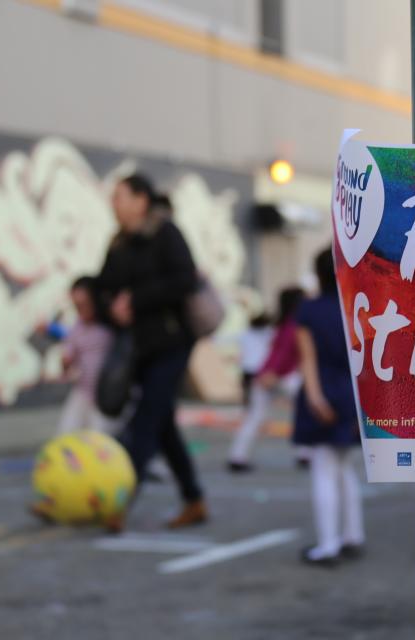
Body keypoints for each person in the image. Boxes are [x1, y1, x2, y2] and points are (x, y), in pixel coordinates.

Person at [95, 174, 206, 530]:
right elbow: (102, 287)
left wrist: (137, 300)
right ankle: (194, 498)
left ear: (141, 199)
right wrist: (111, 306)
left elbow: (184, 279)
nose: (114, 203)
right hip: (137, 347)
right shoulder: (118, 243)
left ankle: (120, 501)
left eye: (120, 196)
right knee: (162, 423)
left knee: (145, 420)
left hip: (171, 343)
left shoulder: (164, 232)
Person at [294, 248, 364, 566]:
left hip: (324, 389)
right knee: (344, 466)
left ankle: (328, 545)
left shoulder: (308, 310)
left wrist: (315, 397)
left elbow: (307, 360)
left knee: (323, 469)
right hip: (352, 392)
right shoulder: (356, 307)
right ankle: (352, 535)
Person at [227, 287, 304, 472]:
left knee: (255, 416)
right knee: (303, 410)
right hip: (279, 375)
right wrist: (273, 372)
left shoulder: (283, 325)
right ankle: (305, 453)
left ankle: (237, 456)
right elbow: (283, 354)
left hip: (270, 373)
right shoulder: (293, 325)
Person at [57, 276, 114, 434]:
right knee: (66, 432)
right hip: (83, 392)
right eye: (77, 306)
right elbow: (68, 356)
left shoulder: (110, 326)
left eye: (84, 305)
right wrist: (66, 362)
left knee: (99, 437)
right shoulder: (78, 328)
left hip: (105, 396)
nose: (81, 311)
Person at [238, 311, 273, 404]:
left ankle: (248, 406)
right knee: (260, 394)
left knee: (248, 392)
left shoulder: (246, 333)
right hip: (261, 366)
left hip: (248, 366)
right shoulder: (269, 333)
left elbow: (227, 338)